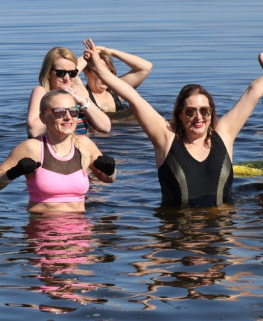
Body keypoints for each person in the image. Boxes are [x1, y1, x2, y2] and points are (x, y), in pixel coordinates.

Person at [83, 38, 263, 208]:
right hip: (178, 233)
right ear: (179, 115)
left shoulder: (224, 134)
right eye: (190, 112)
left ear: (211, 113)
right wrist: (100, 70)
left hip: (221, 232)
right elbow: (134, 99)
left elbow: (254, 90)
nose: (198, 117)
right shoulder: (167, 139)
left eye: (204, 111)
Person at [0, 89, 116, 213]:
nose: (68, 117)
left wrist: (110, 171)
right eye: (59, 112)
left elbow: (108, 179)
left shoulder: (84, 145)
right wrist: (13, 173)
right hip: (42, 228)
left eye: (73, 111)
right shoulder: (32, 148)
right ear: (43, 117)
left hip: (80, 230)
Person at [27, 47, 111, 138]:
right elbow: (34, 130)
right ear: (48, 73)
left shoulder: (78, 91)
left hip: (81, 146)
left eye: (72, 73)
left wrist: (83, 103)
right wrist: (60, 105)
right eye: (61, 73)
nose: (67, 78)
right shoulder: (41, 92)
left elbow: (105, 127)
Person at [80, 45, 153, 114]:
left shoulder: (117, 90)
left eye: (110, 71)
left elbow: (145, 67)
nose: (106, 76)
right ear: (86, 72)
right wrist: (85, 57)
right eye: (100, 71)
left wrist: (110, 52)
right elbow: (71, 73)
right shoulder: (82, 93)